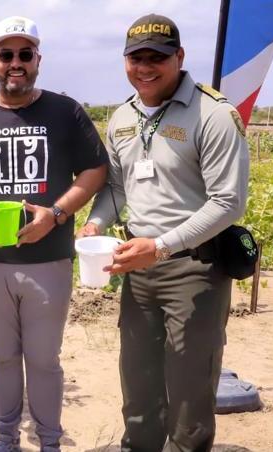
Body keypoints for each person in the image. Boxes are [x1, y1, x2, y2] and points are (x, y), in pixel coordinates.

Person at [0, 16, 108, 452]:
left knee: (44, 360)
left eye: (24, 54)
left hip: (48, 260)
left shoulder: (65, 112)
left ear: (37, 61)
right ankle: (5, 438)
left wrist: (58, 214)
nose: (15, 63)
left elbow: (94, 170)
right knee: (1, 356)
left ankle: (49, 443)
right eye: (6, 55)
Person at [79, 13, 250, 452]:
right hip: (138, 268)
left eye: (157, 56)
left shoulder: (212, 115)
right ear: (125, 61)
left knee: (190, 385)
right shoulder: (121, 117)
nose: (145, 67)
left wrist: (161, 246)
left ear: (180, 57)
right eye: (136, 57)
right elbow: (118, 190)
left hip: (195, 265)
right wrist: (97, 221)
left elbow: (228, 202)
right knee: (138, 379)